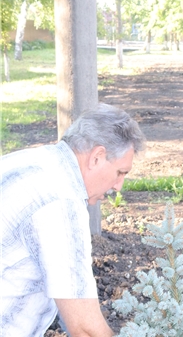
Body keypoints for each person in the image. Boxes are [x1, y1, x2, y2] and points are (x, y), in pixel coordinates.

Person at [0, 103, 146, 336]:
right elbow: (85, 329)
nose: (119, 187)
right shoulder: (61, 203)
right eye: (120, 172)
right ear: (97, 157)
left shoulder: (26, 161)